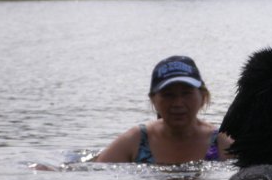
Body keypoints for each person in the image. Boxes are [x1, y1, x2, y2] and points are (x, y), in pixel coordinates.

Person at [95, 56, 231, 164]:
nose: (178, 103)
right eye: (168, 95)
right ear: (153, 99)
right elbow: (97, 174)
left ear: (203, 96)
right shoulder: (136, 141)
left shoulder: (221, 144)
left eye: (186, 93)